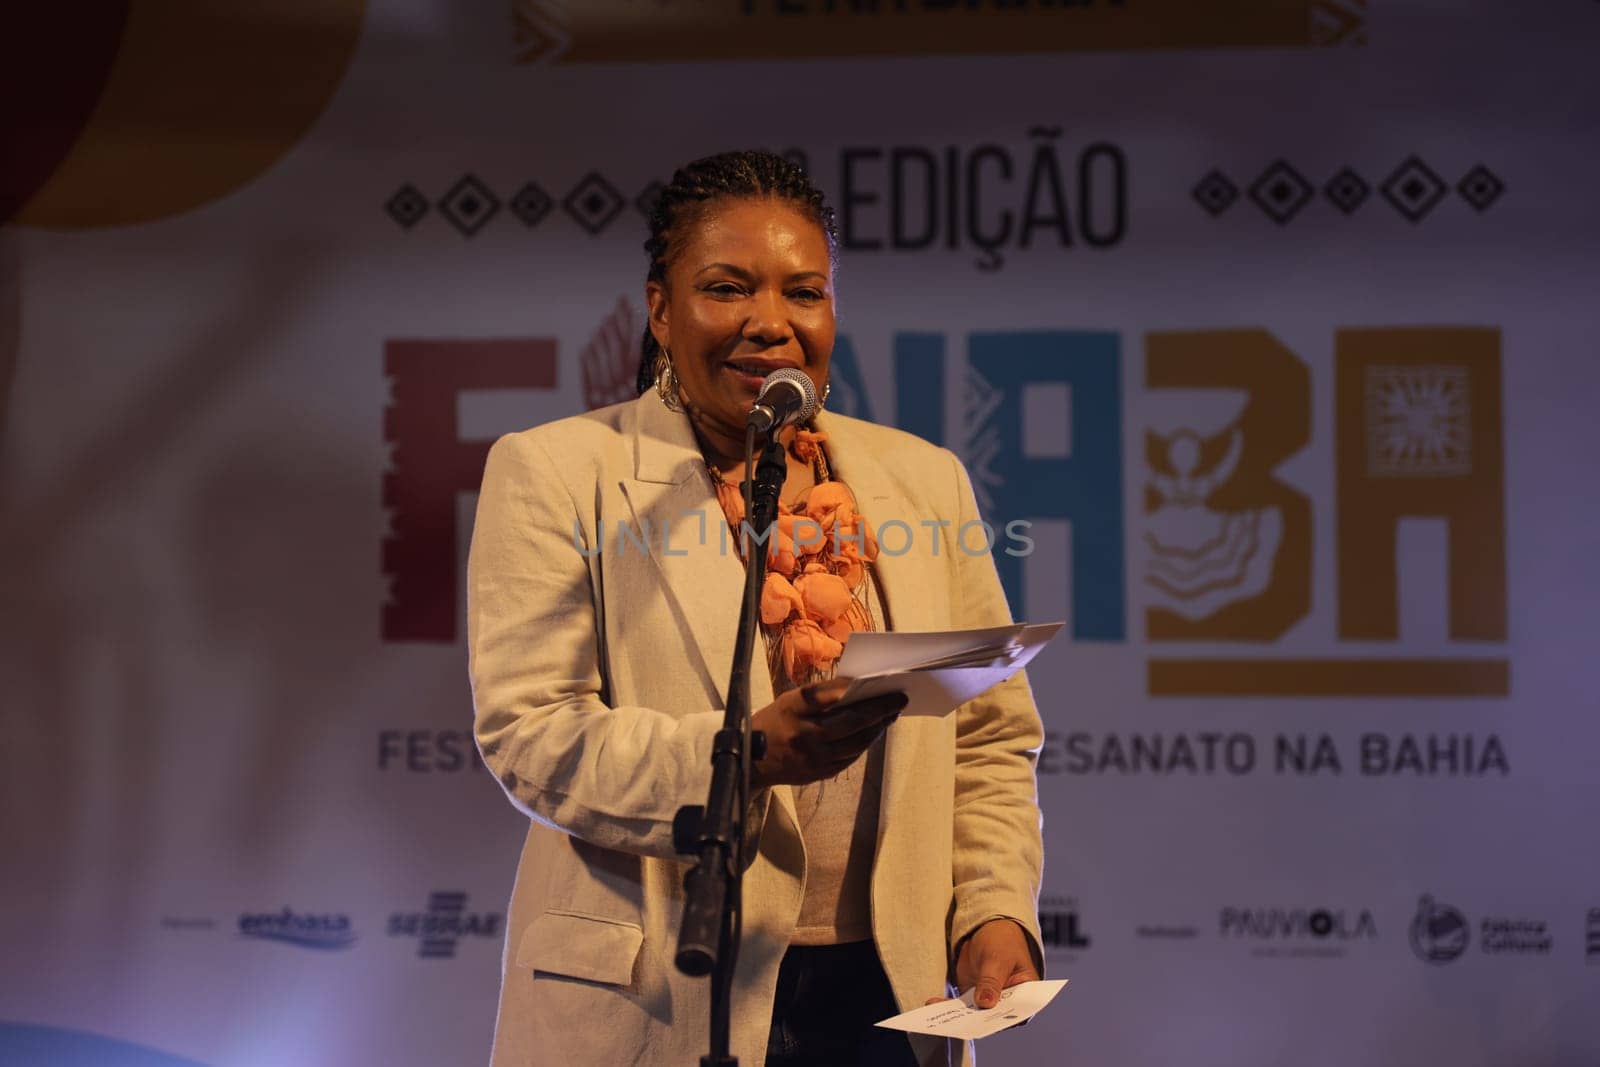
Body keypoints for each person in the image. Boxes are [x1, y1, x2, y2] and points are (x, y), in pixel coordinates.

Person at [467, 150, 1045, 1067]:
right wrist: (745, 756)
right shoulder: (559, 471)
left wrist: (991, 905)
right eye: (727, 287)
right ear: (661, 309)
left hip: (884, 995)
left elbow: (984, 735)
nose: (770, 323)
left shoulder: (924, 478)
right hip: (658, 991)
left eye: (804, 292)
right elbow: (531, 732)